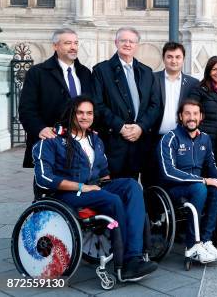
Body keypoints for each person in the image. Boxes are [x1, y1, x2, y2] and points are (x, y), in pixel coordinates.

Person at [33, 96, 157, 280]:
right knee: (112, 200)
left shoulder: (95, 139)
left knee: (132, 186)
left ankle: (135, 253)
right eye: (80, 112)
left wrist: (104, 187)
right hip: (65, 194)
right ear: (71, 114)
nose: (85, 117)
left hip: (93, 189)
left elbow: (104, 171)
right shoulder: (52, 140)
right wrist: (83, 187)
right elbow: (44, 179)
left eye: (89, 113)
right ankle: (126, 263)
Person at [157, 99, 217, 264]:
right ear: (180, 116)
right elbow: (168, 172)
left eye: (195, 113)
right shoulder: (170, 138)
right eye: (187, 113)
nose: (191, 117)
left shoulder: (205, 139)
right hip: (174, 188)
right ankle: (192, 245)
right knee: (200, 188)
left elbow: (211, 165)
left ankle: (206, 241)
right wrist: (203, 180)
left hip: (197, 186)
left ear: (201, 116)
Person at [92, 27, 160, 181]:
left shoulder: (147, 72)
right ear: (116, 42)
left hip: (140, 141)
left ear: (137, 45)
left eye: (132, 41)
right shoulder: (101, 70)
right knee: (115, 190)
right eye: (123, 40)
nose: (127, 44)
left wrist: (140, 127)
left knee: (137, 189)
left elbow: (154, 105)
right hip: (114, 142)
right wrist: (121, 127)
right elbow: (98, 105)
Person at [20, 28, 93, 168]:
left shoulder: (85, 73)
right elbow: (26, 108)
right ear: (55, 46)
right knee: (49, 187)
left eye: (76, 43)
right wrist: (39, 128)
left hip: (80, 141)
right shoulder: (37, 73)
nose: (73, 47)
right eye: (67, 43)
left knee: (79, 186)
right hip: (51, 141)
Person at [153, 42, 199, 137]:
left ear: (183, 59)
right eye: (169, 57)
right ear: (163, 59)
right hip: (154, 137)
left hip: (183, 137)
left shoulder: (193, 83)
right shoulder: (152, 79)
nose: (174, 61)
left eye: (178, 57)